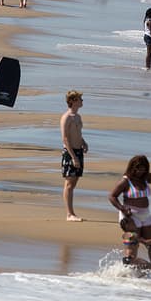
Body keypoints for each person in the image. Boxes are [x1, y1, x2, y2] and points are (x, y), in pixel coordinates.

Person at [60, 90, 88, 221]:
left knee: (74, 182)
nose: (82, 101)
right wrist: (73, 157)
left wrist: (83, 142)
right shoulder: (67, 117)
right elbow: (65, 138)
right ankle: (69, 214)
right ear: (73, 101)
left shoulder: (78, 117)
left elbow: (78, 134)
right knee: (69, 183)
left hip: (78, 151)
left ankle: (71, 213)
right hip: (70, 153)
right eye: (79, 99)